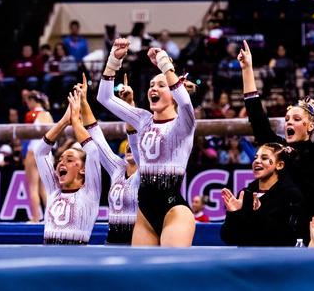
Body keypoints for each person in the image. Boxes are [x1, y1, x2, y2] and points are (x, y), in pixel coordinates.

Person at [240, 35, 314, 231]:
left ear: (310, 126)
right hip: (281, 231)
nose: (289, 122)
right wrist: (247, 69)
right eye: (288, 119)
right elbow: (257, 119)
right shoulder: (277, 150)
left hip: (313, 232)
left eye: (297, 119)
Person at [97, 38, 196, 247]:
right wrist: (113, 61)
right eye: (151, 85)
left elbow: (185, 101)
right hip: (144, 214)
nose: (154, 89)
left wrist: (164, 63)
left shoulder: (183, 123)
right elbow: (104, 98)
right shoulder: (142, 119)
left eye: (161, 85)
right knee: (139, 274)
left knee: (169, 273)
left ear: (173, 91)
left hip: (173, 211)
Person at [77, 73, 140, 244]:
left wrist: (129, 105)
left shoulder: (145, 172)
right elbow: (96, 135)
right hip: (111, 242)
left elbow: (134, 136)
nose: (128, 146)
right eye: (125, 144)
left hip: (138, 244)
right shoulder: (116, 168)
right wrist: (83, 101)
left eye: (132, 144)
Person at [34, 91, 101, 245]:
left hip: (75, 262)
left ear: (83, 169)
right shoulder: (54, 191)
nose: (62, 163)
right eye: (60, 159)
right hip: (48, 258)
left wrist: (76, 123)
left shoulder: (90, 193)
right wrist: (64, 121)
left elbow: (93, 151)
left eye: (69, 160)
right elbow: (40, 152)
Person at [221, 143, 304, 246]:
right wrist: (233, 214)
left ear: (279, 165)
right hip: (246, 260)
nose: (257, 161)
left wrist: (260, 214)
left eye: (264, 158)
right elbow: (228, 238)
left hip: (275, 260)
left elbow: (287, 237)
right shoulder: (245, 194)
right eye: (255, 158)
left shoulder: (291, 195)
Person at [24, 90, 53, 222]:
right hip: (47, 152)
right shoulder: (48, 115)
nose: (27, 104)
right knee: (44, 188)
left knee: (33, 187)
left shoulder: (31, 115)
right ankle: (50, 218)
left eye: (28, 101)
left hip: (34, 151)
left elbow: (24, 136)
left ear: (33, 101)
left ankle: (36, 217)